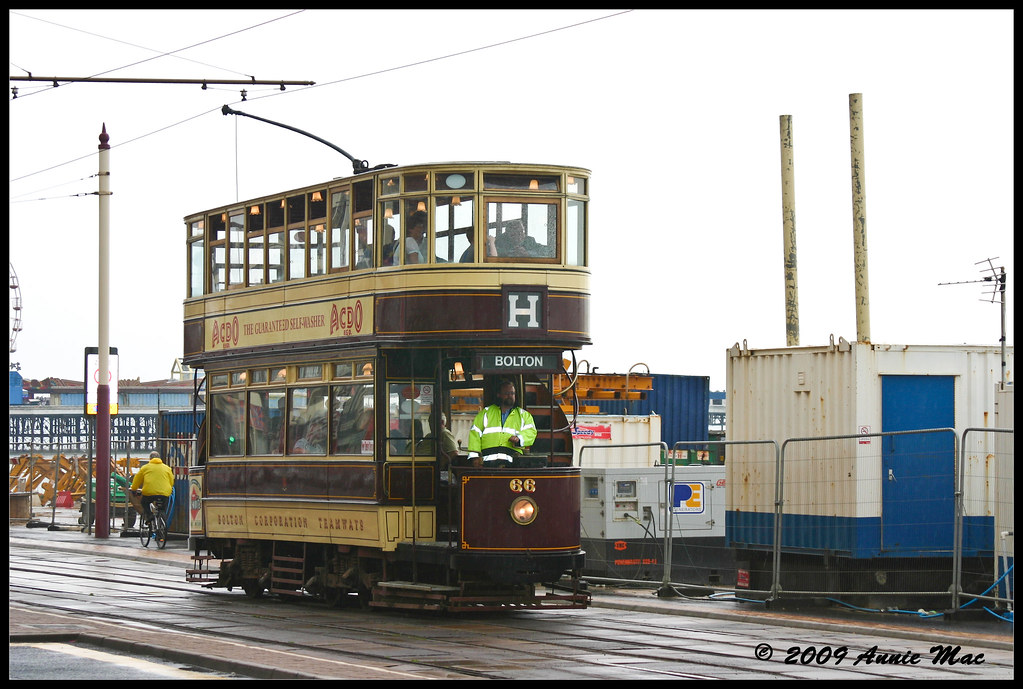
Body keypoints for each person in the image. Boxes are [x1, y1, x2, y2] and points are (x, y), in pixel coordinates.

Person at [466, 380, 537, 467]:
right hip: (488, 463)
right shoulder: (486, 413)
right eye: (507, 393)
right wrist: (475, 457)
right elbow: (475, 434)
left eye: (512, 393)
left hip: (513, 464)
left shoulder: (524, 415)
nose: (510, 396)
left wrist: (519, 438)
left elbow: (531, 432)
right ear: (498, 394)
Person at [130, 451, 174, 526]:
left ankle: (150, 516)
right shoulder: (167, 468)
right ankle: (162, 523)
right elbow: (171, 482)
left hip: (149, 493)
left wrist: (134, 489)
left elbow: (137, 480)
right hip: (165, 494)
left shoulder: (145, 468)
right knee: (162, 508)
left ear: (150, 459)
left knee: (144, 502)